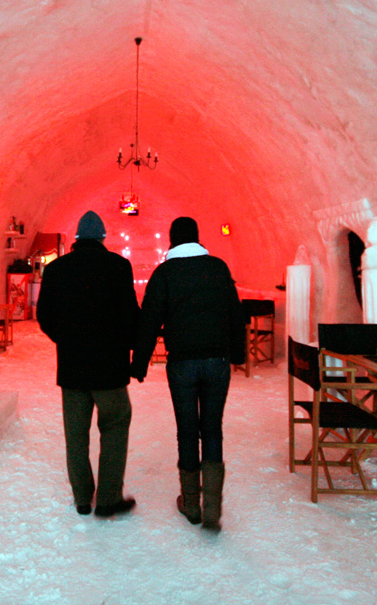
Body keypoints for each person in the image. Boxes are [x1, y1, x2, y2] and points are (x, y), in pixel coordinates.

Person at [131, 216, 245, 529]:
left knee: (186, 429)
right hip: (217, 361)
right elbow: (236, 314)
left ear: (172, 240)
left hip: (181, 363)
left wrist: (139, 364)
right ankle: (212, 508)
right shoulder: (218, 268)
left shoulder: (165, 273)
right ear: (197, 237)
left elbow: (149, 320)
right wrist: (238, 353)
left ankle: (191, 504)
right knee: (212, 428)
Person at [36, 211, 141, 517]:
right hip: (110, 368)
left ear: (78, 239)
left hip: (72, 367)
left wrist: (66, 339)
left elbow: (44, 315)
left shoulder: (56, 269)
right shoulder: (119, 266)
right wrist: (128, 345)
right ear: (103, 237)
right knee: (115, 425)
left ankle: (82, 497)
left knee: (76, 434)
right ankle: (108, 498)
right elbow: (130, 314)